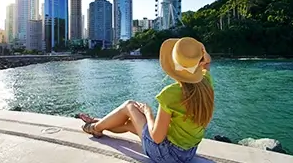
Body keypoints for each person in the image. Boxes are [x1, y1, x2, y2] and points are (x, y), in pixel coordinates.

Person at [80, 37, 214, 163]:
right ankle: (99, 125)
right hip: (189, 152)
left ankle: (94, 127)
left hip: (166, 155)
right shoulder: (206, 83)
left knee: (129, 105)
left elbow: (157, 137)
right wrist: (201, 55)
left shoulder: (170, 94)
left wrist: (148, 112)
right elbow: (207, 64)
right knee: (129, 125)